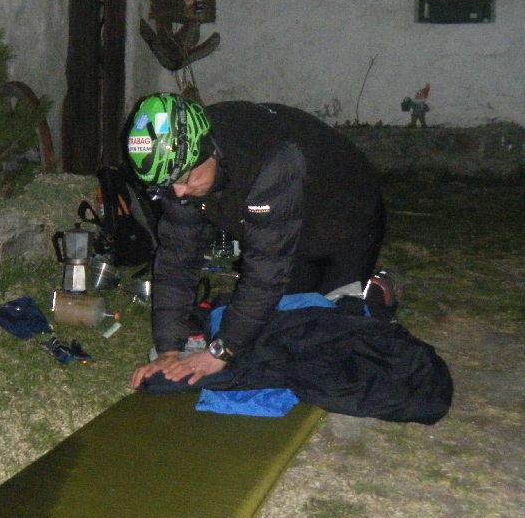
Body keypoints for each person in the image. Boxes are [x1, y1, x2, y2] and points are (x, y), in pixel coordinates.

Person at [125, 93, 386, 390]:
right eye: (169, 185)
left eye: (185, 179)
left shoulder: (267, 160)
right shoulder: (179, 166)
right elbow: (177, 258)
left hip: (345, 215)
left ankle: (380, 290)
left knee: (328, 328)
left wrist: (221, 351)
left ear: (210, 151)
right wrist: (168, 350)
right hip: (286, 223)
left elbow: (266, 269)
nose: (179, 193)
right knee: (278, 327)